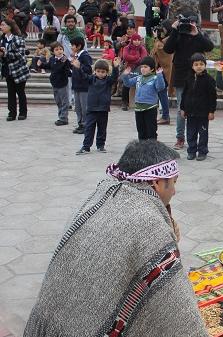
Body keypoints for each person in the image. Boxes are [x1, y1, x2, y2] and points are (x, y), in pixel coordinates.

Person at [24, 139, 210, 337]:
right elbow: (179, 314)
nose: (174, 191)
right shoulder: (148, 223)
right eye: (173, 182)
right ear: (156, 182)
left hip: (46, 326)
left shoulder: (101, 194)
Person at [163, 11, 214, 150]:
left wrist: (196, 33)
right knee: (181, 107)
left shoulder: (198, 34)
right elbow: (167, 49)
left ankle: (198, 138)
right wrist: (174, 30)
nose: (188, 26)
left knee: (199, 105)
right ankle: (180, 138)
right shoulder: (178, 33)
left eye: (190, 22)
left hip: (198, 76)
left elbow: (210, 46)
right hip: (181, 75)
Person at [75, 58, 121, 154]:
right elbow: (82, 77)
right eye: (98, 71)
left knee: (102, 128)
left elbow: (115, 77)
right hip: (91, 109)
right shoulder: (91, 79)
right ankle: (86, 146)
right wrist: (78, 68)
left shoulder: (108, 80)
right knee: (89, 128)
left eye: (103, 72)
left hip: (103, 109)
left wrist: (116, 67)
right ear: (94, 71)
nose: (100, 73)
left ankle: (100, 145)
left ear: (107, 72)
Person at [179, 53, 216, 161]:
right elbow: (184, 94)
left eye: (201, 64)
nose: (199, 66)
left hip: (203, 113)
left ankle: (202, 151)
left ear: (205, 65)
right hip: (190, 112)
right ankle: (191, 151)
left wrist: (211, 111)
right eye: (196, 64)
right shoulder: (188, 78)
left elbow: (212, 96)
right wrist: (183, 108)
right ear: (192, 66)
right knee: (191, 132)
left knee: (203, 133)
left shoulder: (209, 80)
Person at [121, 56, 166, 140]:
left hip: (150, 108)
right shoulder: (138, 78)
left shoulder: (155, 78)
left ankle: (152, 148)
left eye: (145, 67)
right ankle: (142, 148)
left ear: (152, 69)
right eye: (141, 67)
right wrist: (125, 75)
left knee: (151, 130)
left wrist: (160, 75)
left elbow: (160, 87)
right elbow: (128, 84)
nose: (143, 69)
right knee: (141, 130)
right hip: (138, 109)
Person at [0, 18, 29, 121]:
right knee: (10, 92)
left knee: (20, 91)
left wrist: (5, 52)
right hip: (7, 69)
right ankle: (12, 113)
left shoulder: (18, 39)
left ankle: (23, 112)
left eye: (3, 25)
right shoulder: (2, 39)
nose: (1, 27)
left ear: (9, 26)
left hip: (19, 69)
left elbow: (21, 55)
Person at [38, 42, 71, 126]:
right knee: (58, 101)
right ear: (53, 51)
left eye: (61, 49)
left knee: (64, 101)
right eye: (57, 50)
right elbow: (48, 66)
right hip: (54, 83)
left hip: (62, 83)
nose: (59, 51)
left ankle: (64, 118)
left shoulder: (64, 59)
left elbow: (67, 70)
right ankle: (60, 116)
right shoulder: (53, 58)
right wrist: (41, 65)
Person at [151, 20, 174, 125]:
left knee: (162, 93)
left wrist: (156, 38)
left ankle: (165, 116)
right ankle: (164, 115)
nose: (161, 30)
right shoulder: (165, 39)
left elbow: (160, 49)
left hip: (165, 71)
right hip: (161, 70)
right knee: (161, 93)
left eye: (163, 27)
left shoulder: (170, 39)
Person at [70, 36, 93, 134]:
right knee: (78, 107)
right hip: (76, 85)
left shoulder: (85, 56)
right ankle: (80, 124)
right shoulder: (77, 56)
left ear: (79, 46)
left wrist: (80, 67)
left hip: (84, 86)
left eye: (73, 45)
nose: (71, 47)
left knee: (84, 107)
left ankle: (86, 125)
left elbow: (88, 70)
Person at [122, 33, 148, 110]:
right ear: (132, 40)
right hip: (129, 68)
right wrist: (137, 57)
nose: (137, 41)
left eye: (138, 40)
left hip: (139, 69)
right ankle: (125, 102)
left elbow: (144, 58)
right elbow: (126, 56)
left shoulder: (142, 48)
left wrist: (133, 59)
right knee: (126, 84)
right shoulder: (127, 48)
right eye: (135, 40)